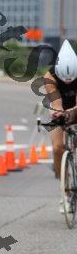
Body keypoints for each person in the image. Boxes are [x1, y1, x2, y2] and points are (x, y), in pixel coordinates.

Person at [44, 39, 77, 212]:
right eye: (65, 80)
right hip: (61, 109)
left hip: (75, 108)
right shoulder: (49, 77)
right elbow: (56, 103)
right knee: (57, 147)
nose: (68, 82)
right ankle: (65, 190)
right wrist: (58, 112)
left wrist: (72, 112)